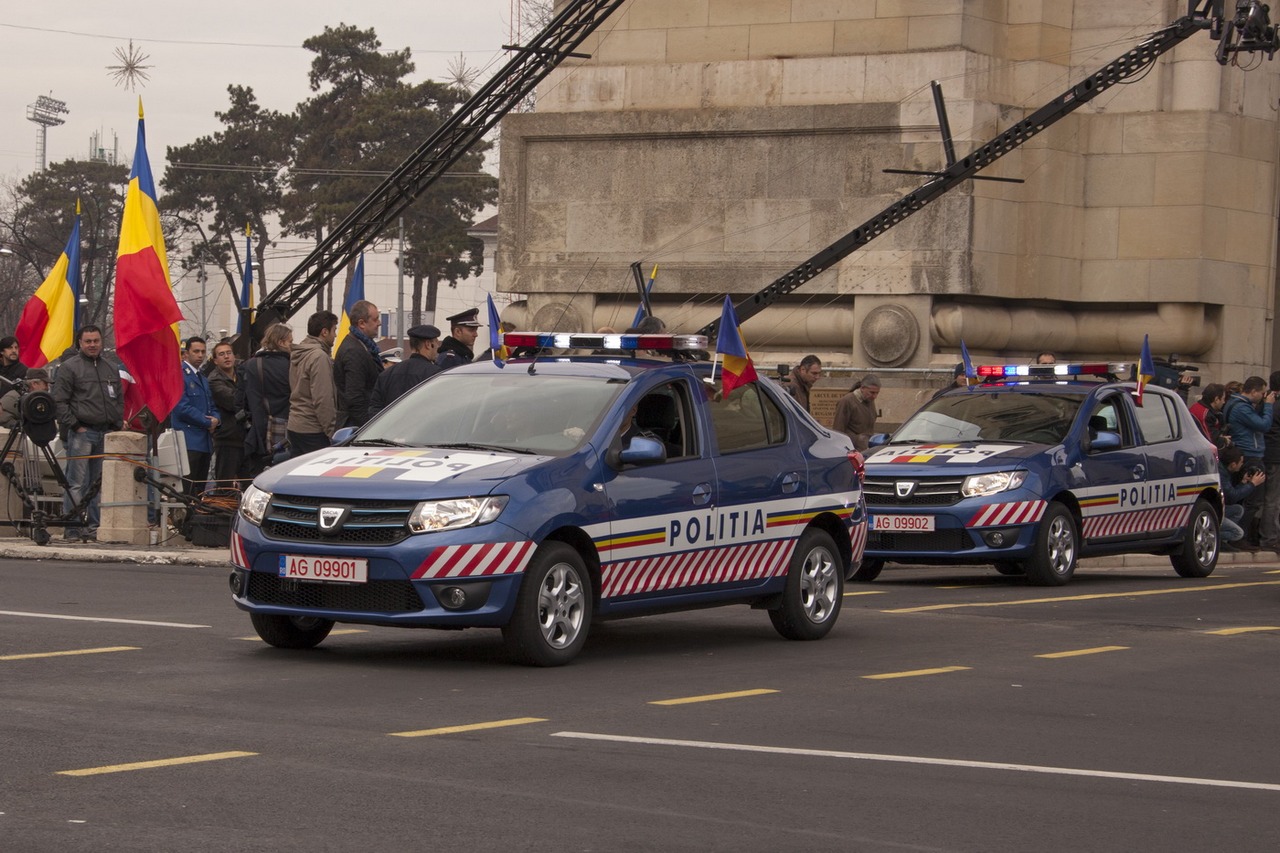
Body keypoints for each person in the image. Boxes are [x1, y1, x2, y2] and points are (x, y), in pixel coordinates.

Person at [52, 325, 123, 542]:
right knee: (76, 483)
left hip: (106, 433)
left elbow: (118, 399)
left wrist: (117, 422)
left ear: (101, 342)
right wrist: (75, 426)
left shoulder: (110, 368)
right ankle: (72, 527)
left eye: (96, 341)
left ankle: (94, 527)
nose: (92, 345)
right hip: (82, 433)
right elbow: (59, 401)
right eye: (88, 341)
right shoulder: (69, 368)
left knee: (98, 484)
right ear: (80, 343)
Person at [1223, 375, 1274, 545]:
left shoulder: (1237, 404)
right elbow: (1264, 425)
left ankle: (1238, 535)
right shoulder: (1241, 408)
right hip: (1250, 454)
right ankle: (1240, 537)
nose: (1264, 396)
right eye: (1262, 393)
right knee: (1254, 499)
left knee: (1245, 497)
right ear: (1253, 391)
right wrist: (1268, 406)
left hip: (1246, 452)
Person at [239, 323, 293, 477]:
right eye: (290, 341)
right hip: (287, 431)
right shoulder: (291, 365)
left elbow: (241, 400)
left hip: (257, 433)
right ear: (281, 342)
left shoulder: (251, 365)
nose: (291, 346)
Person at [173, 336, 219, 500]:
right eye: (196, 351)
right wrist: (208, 422)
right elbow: (182, 407)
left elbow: (211, 405)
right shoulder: (179, 375)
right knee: (187, 489)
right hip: (189, 441)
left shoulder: (203, 378)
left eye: (203, 351)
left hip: (204, 442)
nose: (200, 355)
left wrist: (216, 419)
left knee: (200, 489)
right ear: (185, 354)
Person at [287, 310, 339, 458]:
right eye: (334, 330)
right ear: (324, 332)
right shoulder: (319, 357)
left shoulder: (299, 352)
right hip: (313, 429)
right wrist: (331, 432)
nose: (335, 335)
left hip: (295, 424)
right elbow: (323, 398)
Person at [369, 324, 441, 416]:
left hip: (390, 428)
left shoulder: (387, 374)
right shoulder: (435, 374)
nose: (437, 347)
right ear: (428, 344)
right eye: (436, 343)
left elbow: (375, 408)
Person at [334, 299, 384, 428]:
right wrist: (368, 428)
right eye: (375, 319)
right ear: (361, 323)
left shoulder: (361, 346)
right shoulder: (354, 351)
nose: (379, 323)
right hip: (355, 426)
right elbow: (354, 397)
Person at [207, 340, 245, 490]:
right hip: (227, 438)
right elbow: (233, 401)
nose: (226, 357)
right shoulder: (214, 380)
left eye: (229, 353)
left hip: (245, 437)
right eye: (221, 354)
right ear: (215, 360)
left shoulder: (242, 373)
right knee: (225, 485)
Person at [1218, 445, 1264, 551]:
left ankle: (1222, 541)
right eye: (1241, 462)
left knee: (1237, 510)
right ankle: (1216, 538)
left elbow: (1231, 496)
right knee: (1237, 533)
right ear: (1233, 464)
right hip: (1215, 512)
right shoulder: (1222, 474)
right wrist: (1252, 484)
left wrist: (1243, 483)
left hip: (1219, 510)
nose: (1242, 465)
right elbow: (1232, 497)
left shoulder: (1225, 471)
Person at [832, 374, 881, 451]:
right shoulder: (847, 401)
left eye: (877, 393)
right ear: (862, 388)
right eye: (872, 392)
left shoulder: (869, 400)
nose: (874, 396)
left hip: (865, 448)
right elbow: (838, 429)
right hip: (852, 449)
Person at [1260, 371, 1280, 554]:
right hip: (1276, 457)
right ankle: (1270, 538)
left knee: (1271, 499)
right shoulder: (1276, 405)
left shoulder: (1268, 404)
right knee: (1273, 500)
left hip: (1269, 454)